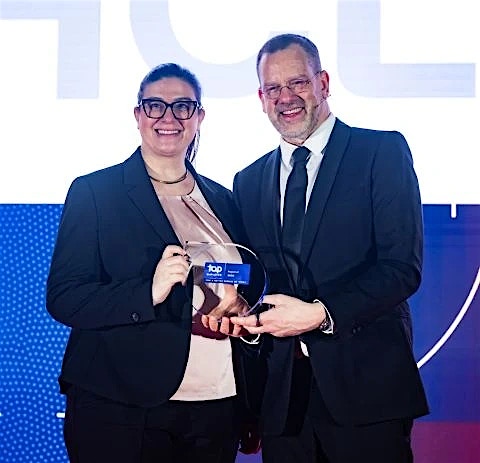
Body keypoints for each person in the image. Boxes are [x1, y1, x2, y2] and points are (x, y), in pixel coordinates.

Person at [226, 33, 429, 463]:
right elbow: (251, 280)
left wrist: (322, 313)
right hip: (283, 404)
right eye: (273, 88)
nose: (286, 98)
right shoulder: (247, 181)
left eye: (298, 83)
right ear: (261, 98)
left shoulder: (380, 152)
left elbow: (401, 268)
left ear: (323, 83)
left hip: (367, 393)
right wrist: (229, 301)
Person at [46, 63, 260, 463]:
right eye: (155, 105)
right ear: (138, 114)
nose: (168, 117)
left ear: (199, 117)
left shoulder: (224, 199)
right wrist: (148, 291)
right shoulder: (96, 193)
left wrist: (241, 309)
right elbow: (65, 298)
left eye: (183, 106)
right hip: (124, 409)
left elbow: (238, 283)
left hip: (217, 405)